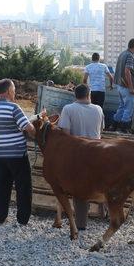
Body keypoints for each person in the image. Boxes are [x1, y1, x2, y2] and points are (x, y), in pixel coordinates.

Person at [0, 79, 35, 225]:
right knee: (23, 186)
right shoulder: (14, 108)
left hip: (0, 154)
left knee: (1, 185)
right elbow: (28, 128)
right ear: (8, 91)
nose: (15, 93)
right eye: (13, 90)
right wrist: (33, 128)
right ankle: (22, 219)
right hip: (17, 154)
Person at [58, 84, 104, 230]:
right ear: (89, 94)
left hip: (77, 155)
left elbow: (65, 133)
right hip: (97, 153)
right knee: (98, 182)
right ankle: (103, 210)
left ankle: (81, 224)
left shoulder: (68, 109)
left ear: (75, 95)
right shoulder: (98, 109)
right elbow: (101, 130)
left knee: (80, 190)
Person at [112, 38, 134, 132]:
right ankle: (124, 129)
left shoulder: (122, 54)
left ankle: (114, 126)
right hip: (126, 87)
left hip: (119, 85)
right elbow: (127, 71)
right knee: (129, 108)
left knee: (122, 106)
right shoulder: (130, 56)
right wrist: (131, 87)